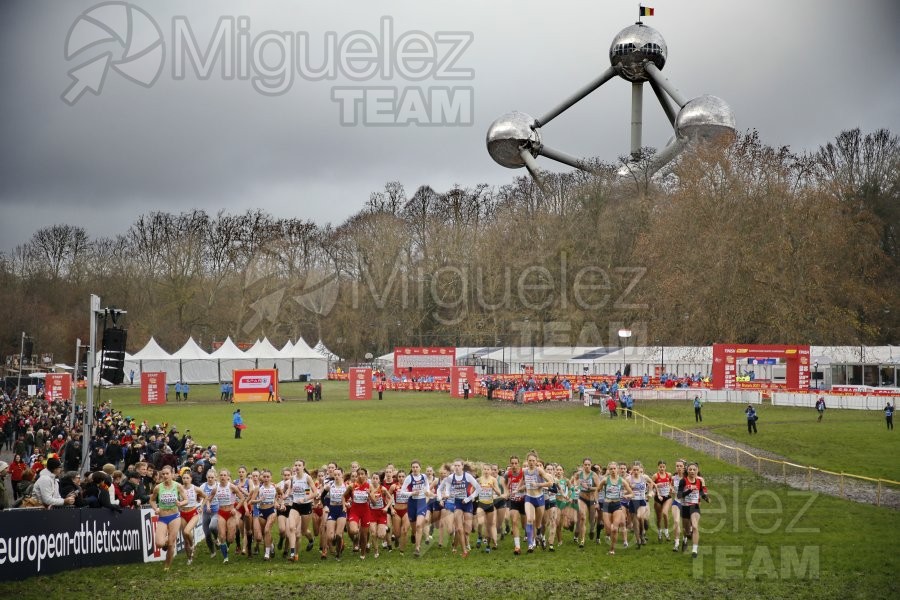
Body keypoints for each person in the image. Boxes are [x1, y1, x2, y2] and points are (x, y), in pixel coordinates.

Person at [149, 465, 187, 571]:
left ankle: (166, 566)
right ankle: (167, 539)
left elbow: (186, 499)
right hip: (162, 517)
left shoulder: (178, 486)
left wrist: (180, 503)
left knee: (171, 544)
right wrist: (156, 508)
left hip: (174, 516)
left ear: (172, 474)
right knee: (159, 544)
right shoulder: (158, 487)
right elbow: (151, 500)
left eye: (167, 474)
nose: (165, 476)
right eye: (163, 474)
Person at [677, 462, 710, 558]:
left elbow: (700, 492)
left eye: (694, 469)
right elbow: (679, 496)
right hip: (685, 507)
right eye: (690, 469)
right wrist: (689, 491)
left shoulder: (699, 481)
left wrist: (706, 498)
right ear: (687, 471)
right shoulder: (683, 481)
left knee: (695, 527)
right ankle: (686, 537)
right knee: (687, 531)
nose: (692, 471)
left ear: (697, 471)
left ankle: (694, 550)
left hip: (694, 507)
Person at [179, 469, 207, 565]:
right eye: (184, 478)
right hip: (183, 514)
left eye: (187, 478)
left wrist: (201, 507)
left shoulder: (195, 488)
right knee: (185, 538)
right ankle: (189, 558)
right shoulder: (179, 488)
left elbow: (206, 497)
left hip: (193, 513)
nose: (185, 479)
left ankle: (192, 545)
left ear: (191, 479)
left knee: (187, 531)